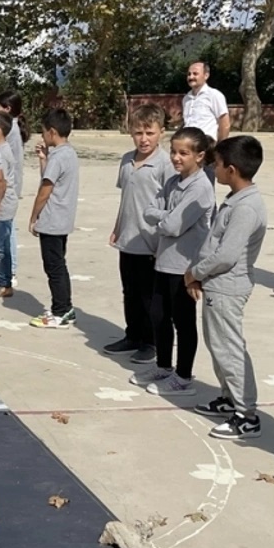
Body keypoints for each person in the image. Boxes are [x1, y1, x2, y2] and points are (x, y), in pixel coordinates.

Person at [187, 136, 268, 437]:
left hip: (227, 287)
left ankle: (246, 414)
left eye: (217, 164)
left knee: (229, 348)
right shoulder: (236, 199)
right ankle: (228, 397)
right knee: (218, 345)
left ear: (231, 169)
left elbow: (226, 255)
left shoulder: (246, 208)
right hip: (217, 285)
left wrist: (193, 272)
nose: (214, 169)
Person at [136, 128, 215, 389]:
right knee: (158, 315)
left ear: (200, 156)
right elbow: (149, 211)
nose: (176, 158)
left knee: (183, 320)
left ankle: (183, 376)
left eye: (184, 153)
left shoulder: (201, 188)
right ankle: (163, 366)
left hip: (184, 266)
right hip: (164, 260)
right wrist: (167, 217)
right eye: (173, 152)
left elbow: (172, 227)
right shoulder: (172, 182)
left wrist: (165, 218)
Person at [106, 104, 176, 363]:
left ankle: (151, 341)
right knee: (130, 292)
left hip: (151, 242)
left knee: (150, 297)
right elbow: (126, 198)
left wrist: (165, 241)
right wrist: (117, 228)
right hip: (128, 238)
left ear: (162, 133)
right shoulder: (126, 160)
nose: (143, 139)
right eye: (138, 133)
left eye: (150, 133)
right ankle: (133, 335)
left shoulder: (165, 165)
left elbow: (171, 205)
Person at [29, 108, 79, 328]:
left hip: (52, 220)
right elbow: (50, 177)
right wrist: (43, 159)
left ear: (52, 132)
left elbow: (45, 189)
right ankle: (64, 307)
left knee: (54, 268)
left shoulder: (59, 156)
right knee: (59, 265)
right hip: (63, 219)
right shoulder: (68, 153)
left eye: (43, 133)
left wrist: (34, 216)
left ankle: (61, 310)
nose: (42, 137)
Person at [0, 92, 28, 286]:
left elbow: (14, 164)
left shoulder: (11, 131)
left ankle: (10, 271)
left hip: (9, 188)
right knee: (6, 232)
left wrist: (13, 190)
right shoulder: (11, 129)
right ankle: (7, 271)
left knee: (7, 234)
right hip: (9, 187)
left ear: (7, 109)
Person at [182, 62, 230, 183]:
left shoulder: (214, 95)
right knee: (188, 184)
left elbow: (224, 122)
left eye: (195, 73)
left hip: (206, 148)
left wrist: (219, 148)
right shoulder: (186, 99)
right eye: (189, 74)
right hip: (188, 148)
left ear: (206, 75)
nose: (191, 77)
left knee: (205, 184)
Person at [0, 110, 17, 297]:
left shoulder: (1, 153)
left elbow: (2, 181)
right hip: (2, 203)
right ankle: (1, 279)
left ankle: (3, 282)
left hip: (3, 204)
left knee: (0, 247)